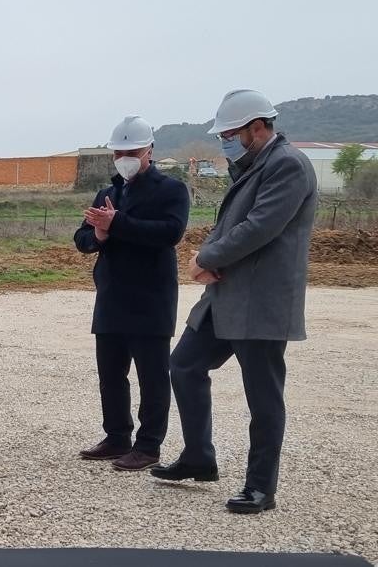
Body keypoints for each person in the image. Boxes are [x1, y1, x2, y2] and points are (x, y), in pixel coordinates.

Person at [151, 90, 318, 515]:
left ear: (257, 127)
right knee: (184, 364)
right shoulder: (252, 166)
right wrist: (207, 258)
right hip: (225, 293)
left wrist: (206, 258)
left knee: (263, 397)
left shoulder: (287, 166)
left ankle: (261, 487)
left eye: (230, 134)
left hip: (261, 301)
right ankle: (198, 457)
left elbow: (260, 227)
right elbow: (229, 224)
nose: (226, 142)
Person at [74, 116, 189, 472]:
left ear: (149, 151)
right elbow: (82, 238)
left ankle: (149, 445)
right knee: (110, 374)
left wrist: (116, 224)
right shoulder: (108, 193)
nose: (124, 157)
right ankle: (117, 436)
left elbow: (170, 233)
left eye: (131, 151)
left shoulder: (171, 190)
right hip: (111, 296)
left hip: (150, 298)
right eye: (118, 152)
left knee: (152, 376)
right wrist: (100, 236)